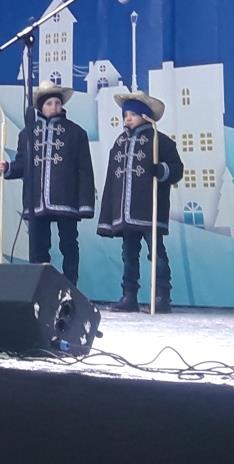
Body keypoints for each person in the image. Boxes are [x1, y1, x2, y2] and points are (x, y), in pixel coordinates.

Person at [0, 80, 94, 285]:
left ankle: (70, 285)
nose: (54, 107)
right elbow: (22, 164)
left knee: (68, 244)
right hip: (36, 200)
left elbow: (84, 171)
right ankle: (41, 286)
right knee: (38, 246)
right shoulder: (27, 134)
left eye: (57, 103)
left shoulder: (76, 133)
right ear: (40, 107)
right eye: (49, 103)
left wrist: (85, 204)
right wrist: (8, 168)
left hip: (66, 198)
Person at [97, 91, 183, 313]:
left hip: (149, 209)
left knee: (156, 253)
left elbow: (177, 169)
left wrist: (161, 170)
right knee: (128, 254)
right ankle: (129, 296)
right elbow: (112, 179)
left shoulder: (160, 141)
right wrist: (110, 210)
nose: (128, 118)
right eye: (126, 114)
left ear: (145, 116)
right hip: (126, 211)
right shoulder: (120, 143)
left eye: (133, 114)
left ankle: (162, 296)